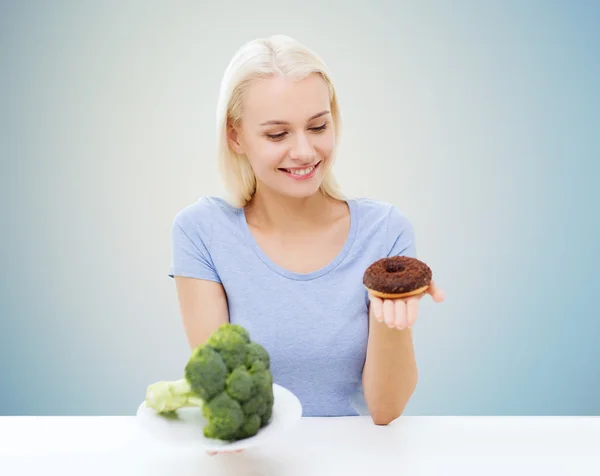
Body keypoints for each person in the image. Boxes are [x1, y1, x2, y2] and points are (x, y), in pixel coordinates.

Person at [168, 34, 444, 427]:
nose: (304, 151)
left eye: (317, 126)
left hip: (359, 459)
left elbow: (385, 410)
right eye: (277, 134)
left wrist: (393, 312)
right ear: (235, 136)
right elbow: (224, 392)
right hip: (252, 459)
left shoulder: (385, 231)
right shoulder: (202, 232)